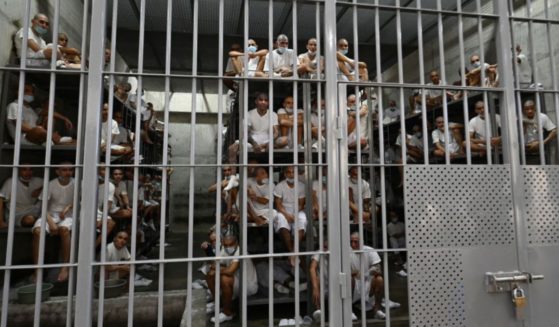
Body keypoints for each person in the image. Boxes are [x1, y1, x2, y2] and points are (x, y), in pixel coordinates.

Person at [32, 163, 75, 282]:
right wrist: (50, 222)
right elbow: (43, 206)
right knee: (37, 232)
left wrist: (68, 207)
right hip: (49, 215)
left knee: (64, 230)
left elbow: (81, 200)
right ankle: (37, 270)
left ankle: (65, 266)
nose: (68, 172)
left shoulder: (77, 183)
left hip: (69, 215)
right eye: (64, 169)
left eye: (70, 170)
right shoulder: (50, 184)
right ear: (58, 172)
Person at [206, 233, 258, 323]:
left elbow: (230, 271)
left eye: (231, 244)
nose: (228, 247)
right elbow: (213, 265)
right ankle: (217, 304)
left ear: (237, 243)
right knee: (210, 274)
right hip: (237, 280)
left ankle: (227, 313)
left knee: (225, 278)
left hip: (248, 285)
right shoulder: (224, 250)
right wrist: (219, 268)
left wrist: (219, 269)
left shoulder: (240, 251)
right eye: (226, 245)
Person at [350, 232, 400, 320]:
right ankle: (349, 311)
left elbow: (378, 269)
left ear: (362, 242)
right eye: (351, 241)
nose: (353, 244)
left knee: (379, 279)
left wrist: (367, 273)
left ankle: (377, 310)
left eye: (356, 242)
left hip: (368, 283)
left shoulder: (369, 250)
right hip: (354, 285)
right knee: (348, 279)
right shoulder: (346, 252)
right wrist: (351, 273)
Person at [228, 93, 287, 162]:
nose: (263, 102)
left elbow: (276, 132)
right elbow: (246, 132)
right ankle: (232, 172)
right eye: (261, 100)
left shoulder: (273, 114)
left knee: (284, 140)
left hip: (268, 140)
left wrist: (270, 142)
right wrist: (254, 144)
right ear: (256, 101)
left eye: (266, 100)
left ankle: (263, 146)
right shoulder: (249, 114)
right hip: (253, 141)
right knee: (232, 148)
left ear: (268, 103)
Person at [274, 166, 307, 266]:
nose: (291, 174)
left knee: (302, 219)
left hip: (297, 210)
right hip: (283, 210)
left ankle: (293, 252)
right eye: (288, 172)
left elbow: (301, 204)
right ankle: (292, 252)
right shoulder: (279, 186)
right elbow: (278, 205)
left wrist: (294, 214)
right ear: (285, 174)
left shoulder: (301, 186)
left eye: (293, 172)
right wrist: (287, 215)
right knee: (281, 220)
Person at [96, 166, 117, 247]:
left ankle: (94, 247)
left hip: (98, 212)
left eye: (104, 169)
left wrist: (102, 219)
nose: (101, 171)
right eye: (99, 169)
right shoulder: (85, 182)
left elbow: (108, 204)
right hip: (84, 210)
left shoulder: (110, 186)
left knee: (111, 223)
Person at [386, 211, 407, 277]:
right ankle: (398, 259)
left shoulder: (402, 224)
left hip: (402, 239)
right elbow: (394, 235)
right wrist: (400, 234)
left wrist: (401, 234)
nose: (394, 218)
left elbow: (405, 233)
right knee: (392, 240)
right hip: (395, 240)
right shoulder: (389, 225)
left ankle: (406, 260)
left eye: (395, 216)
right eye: (392, 216)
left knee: (405, 240)